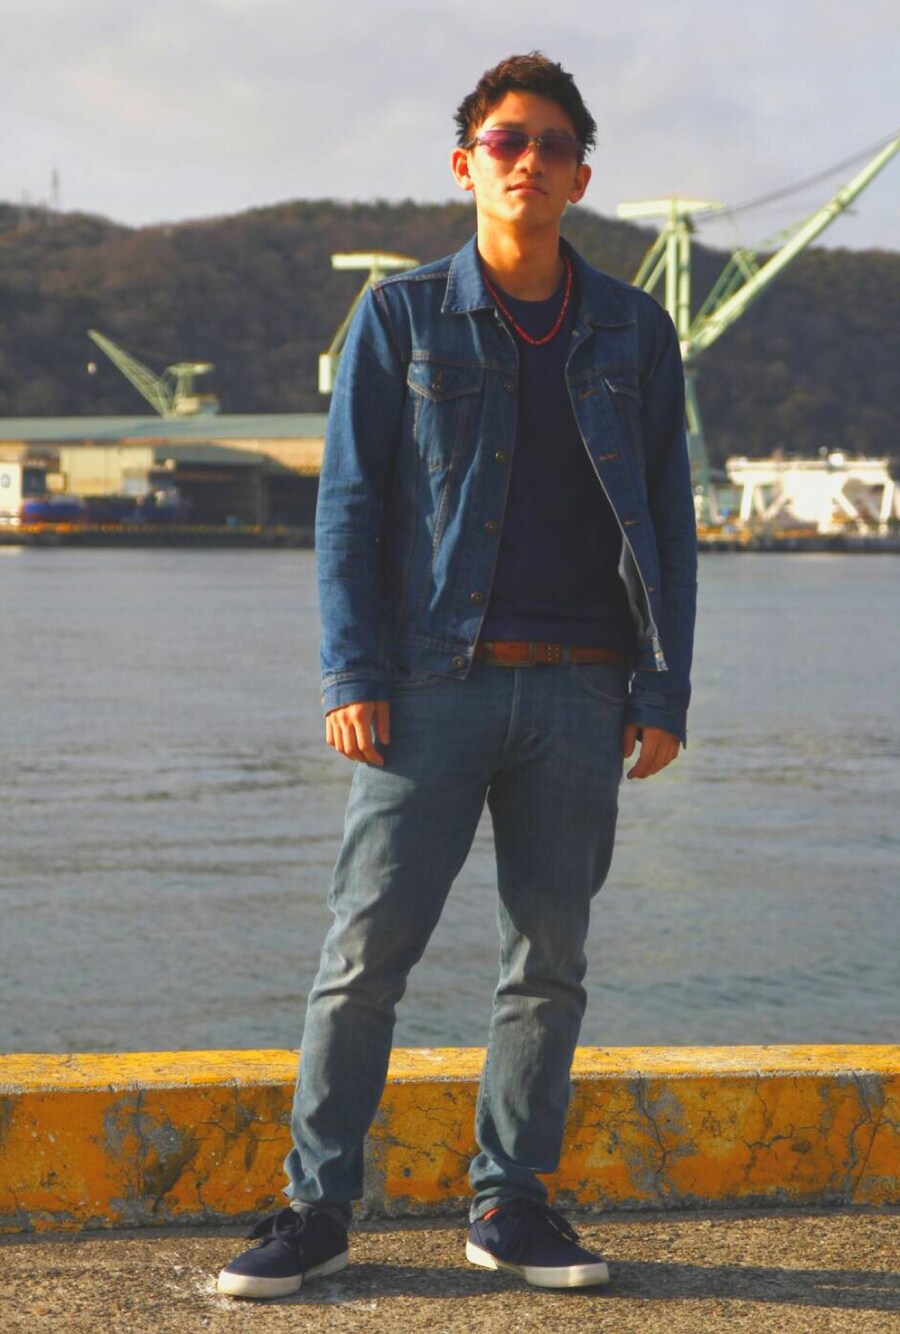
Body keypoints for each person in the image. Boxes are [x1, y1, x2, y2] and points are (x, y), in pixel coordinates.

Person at [217, 50, 696, 1300]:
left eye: (552, 144)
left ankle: (509, 1203)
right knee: (365, 951)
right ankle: (317, 1207)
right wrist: (351, 673)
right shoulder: (400, 318)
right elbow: (349, 507)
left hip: (582, 688)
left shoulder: (635, 329)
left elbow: (667, 516)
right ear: (464, 164)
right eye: (504, 140)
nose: (527, 159)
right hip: (428, 682)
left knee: (548, 960)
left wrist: (662, 689)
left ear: (581, 175)